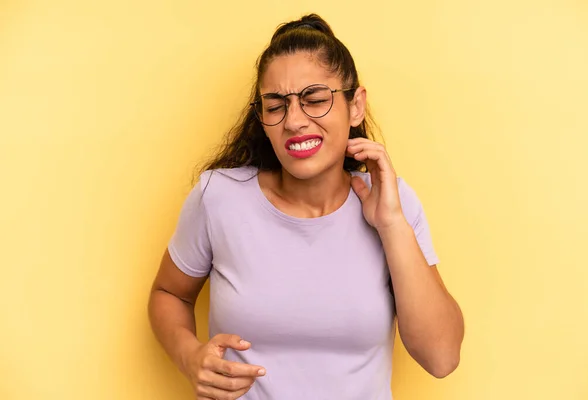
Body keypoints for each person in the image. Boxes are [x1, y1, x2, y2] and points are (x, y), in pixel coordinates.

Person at [148, 13, 464, 400]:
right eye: (276, 105)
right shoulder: (219, 197)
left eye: (315, 99)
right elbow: (170, 293)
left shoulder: (393, 202)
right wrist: (189, 356)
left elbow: (442, 356)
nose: (294, 121)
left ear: (356, 105)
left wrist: (392, 223)